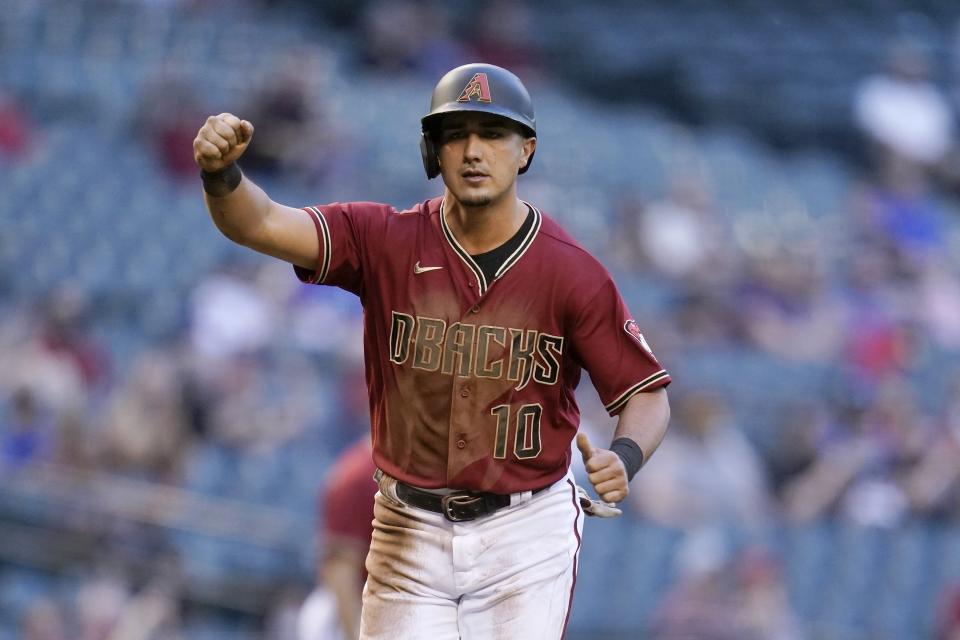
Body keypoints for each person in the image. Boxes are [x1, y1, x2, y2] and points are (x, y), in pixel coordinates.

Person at [193, 62, 671, 639]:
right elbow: (262, 223)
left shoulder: (572, 272)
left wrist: (625, 457)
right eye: (456, 134)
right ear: (432, 151)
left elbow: (645, 395)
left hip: (526, 530)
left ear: (526, 150)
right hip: (407, 522)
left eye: (493, 133)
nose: (474, 151)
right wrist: (222, 176)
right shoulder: (382, 239)